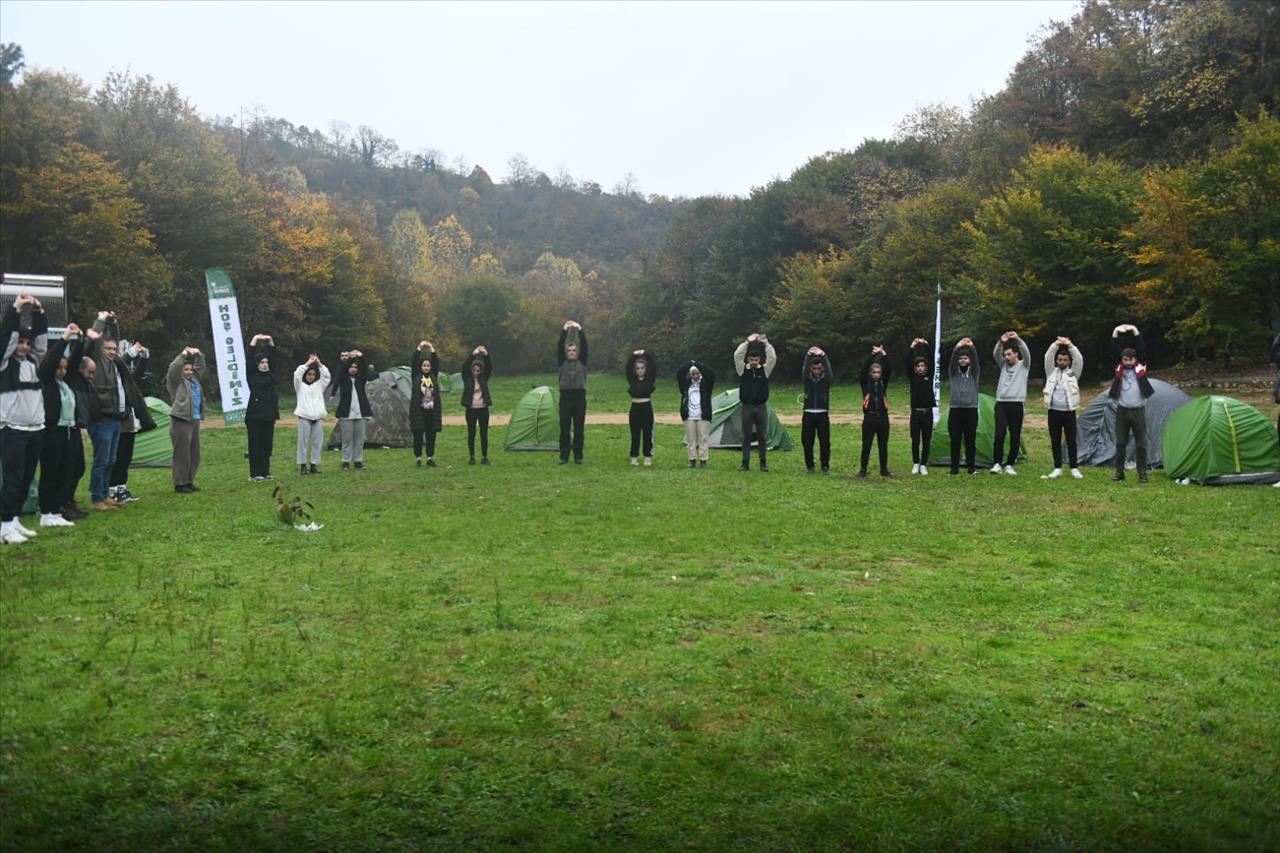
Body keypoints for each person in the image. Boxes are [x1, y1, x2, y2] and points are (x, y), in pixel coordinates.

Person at [1, 292, 47, 544]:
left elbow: (41, 343)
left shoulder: (33, 362)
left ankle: (15, 519)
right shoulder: (4, 365)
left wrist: (39, 313)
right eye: (21, 342)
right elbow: (6, 337)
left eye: (26, 343)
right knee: (13, 478)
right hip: (12, 429)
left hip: (34, 429)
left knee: (27, 478)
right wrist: (16, 309)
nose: (24, 346)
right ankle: (5, 524)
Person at [37, 324, 84, 528]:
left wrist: (81, 342)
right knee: (51, 473)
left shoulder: (67, 383)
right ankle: (46, 512)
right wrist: (65, 338)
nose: (62, 371)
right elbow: (51, 361)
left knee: (66, 471)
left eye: (64, 368)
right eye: (59, 367)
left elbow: (75, 363)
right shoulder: (46, 381)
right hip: (52, 433)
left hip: (68, 432)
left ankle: (57, 511)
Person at [84, 311, 131, 511]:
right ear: (101, 349)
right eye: (108, 348)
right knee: (101, 461)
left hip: (115, 420)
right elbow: (94, 339)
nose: (112, 351)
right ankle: (96, 498)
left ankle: (105, 495)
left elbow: (116, 339)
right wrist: (102, 320)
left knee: (111, 460)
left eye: (114, 349)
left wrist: (114, 322)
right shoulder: (98, 360)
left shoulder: (113, 363)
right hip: (101, 419)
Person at [105, 323, 153, 504]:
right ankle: (112, 490)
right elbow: (119, 360)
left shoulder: (124, 376)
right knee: (116, 457)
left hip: (130, 420)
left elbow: (137, 375)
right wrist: (131, 352)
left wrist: (144, 358)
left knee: (126, 457)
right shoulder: (109, 368)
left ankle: (121, 489)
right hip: (118, 420)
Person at [1108, 323, 1154, 483]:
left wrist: (1134, 330)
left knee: (1141, 444)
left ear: (1135, 360)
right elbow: (1113, 349)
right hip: (1122, 410)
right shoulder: (1118, 368)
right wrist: (1116, 331)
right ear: (1122, 360)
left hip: (1138, 410)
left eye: (1130, 359)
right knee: (1120, 443)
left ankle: (1142, 473)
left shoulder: (1141, 367)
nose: (1128, 362)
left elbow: (1141, 347)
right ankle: (1119, 472)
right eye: (1125, 359)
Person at [1041, 336, 1084, 480]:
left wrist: (1070, 345)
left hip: (1069, 412)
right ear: (1057, 361)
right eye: (1060, 360)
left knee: (1071, 441)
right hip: (1053, 411)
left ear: (1069, 362)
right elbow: (1048, 356)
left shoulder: (1073, 373)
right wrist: (1056, 344)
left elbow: (1079, 359)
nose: (1062, 362)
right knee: (1055, 440)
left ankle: (1074, 468)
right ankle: (1057, 468)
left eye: (1065, 360)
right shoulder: (1051, 372)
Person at [733, 333, 777, 472]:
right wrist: (747, 342)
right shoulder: (742, 370)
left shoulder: (764, 370)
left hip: (761, 407)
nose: (753, 362)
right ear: (747, 359)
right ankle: (745, 463)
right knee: (746, 437)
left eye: (756, 359)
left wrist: (766, 344)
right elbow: (736, 355)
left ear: (759, 360)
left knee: (762, 436)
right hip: (746, 407)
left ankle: (763, 463)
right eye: (751, 359)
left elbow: (773, 358)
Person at [991, 331, 1030, 475]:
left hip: (1017, 404)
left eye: (1009, 354)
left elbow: (1026, 352)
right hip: (1001, 403)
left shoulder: (1024, 366)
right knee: (999, 433)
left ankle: (1009, 464)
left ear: (1016, 354)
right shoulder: (1003, 365)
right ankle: (996, 463)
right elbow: (996, 354)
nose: (1006, 357)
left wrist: (1018, 339)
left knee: (1015, 435)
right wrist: (1001, 342)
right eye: (1005, 355)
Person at [167, 346, 205, 493]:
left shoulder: (194, 380)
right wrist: (183, 354)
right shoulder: (176, 383)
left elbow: (200, 366)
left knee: (194, 453)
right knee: (182, 454)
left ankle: (189, 481)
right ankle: (180, 483)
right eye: (186, 370)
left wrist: (198, 353)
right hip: (181, 421)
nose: (189, 372)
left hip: (194, 420)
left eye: (190, 370)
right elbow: (173, 368)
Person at [329, 349, 371, 470]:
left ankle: (358, 461)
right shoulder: (344, 379)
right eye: (351, 367)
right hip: (346, 413)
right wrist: (351, 358)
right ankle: (346, 461)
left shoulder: (361, 380)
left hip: (361, 413)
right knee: (347, 439)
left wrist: (360, 357)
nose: (353, 369)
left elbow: (364, 369)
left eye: (355, 367)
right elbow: (342, 370)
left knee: (359, 440)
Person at [245, 334, 279, 482]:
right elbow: (249, 360)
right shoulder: (252, 375)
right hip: (255, 416)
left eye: (266, 362)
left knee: (267, 445)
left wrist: (270, 341)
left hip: (269, 415)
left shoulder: (271, 375)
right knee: (255, 445)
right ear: (257, 364)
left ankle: (265, 472)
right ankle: (255, 473)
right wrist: (254, 341)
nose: (265, 364)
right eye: (262, 362)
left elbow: (275, 359)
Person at [858, 345, 893, 478]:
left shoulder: (883, 382)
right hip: (869, 418)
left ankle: (884, 469)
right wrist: (873, 355)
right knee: (866, 445)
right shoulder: (865, 384)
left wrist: (883, 354)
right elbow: (863, 369)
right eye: (874, 372)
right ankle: (863, 469)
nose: (876, 375)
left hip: (883, 418)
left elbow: (889, 368)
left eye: (879, 372)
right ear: (870, 373)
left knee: (883, 445)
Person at [947, 337, 980, 476]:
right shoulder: (953, 372)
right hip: (955, 410)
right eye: (961, 359)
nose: (962, 361)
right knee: (955, 439)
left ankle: (971, 467)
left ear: (969, 360)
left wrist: (972, 347)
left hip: (971, 409)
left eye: (965, 358)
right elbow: (952, 361)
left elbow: (977, 362)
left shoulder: (974, 373)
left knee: (970, 439)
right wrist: (957, 347)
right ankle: (954, 468)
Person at [557, 321, 588, 464]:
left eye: (574, 350)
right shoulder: (562, 363)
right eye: (569, 351)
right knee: (564, 428)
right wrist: (565, 331)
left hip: (579, 398)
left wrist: (580, 330)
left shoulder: (582, 362)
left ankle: (578, 455)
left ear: (577, 352)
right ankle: (564, 456)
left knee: (579, 429)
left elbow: (586, 347)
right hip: (565, 398)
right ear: (566, 352)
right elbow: (559, 347)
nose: (571, 353)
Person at [293, 353, 329, 475]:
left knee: (317, 442)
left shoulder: (319, 385)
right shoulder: (300, 386)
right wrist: (308, 363)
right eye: (309, 374)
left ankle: (314, 465)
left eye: (313, 375)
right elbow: (297, 374)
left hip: (318, 417)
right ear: (305, 375)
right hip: (304, 416)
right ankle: (303, 466)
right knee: (303, 442)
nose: (311, 376)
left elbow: (326, 376)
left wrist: (318, 363)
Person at [676, 360, 715, 468]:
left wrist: (697, 364)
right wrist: (689, 363)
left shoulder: (706, 384)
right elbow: (679, 373)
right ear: (690, 374)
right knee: (691, 439)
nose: (695, 376)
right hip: (689, 415)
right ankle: (692, 459)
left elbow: (710, 373)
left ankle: (703, 460)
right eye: (693, 374)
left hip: (703, 415)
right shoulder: (686, 384)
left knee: (703, 438)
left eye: (697, 373)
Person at [800, 346, 833, 474]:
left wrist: (823, 355)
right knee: (807, 441)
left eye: (819, 368)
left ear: (823, 368)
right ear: (810, 369)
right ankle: (810, 465)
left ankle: (825, 465)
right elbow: (804, 369)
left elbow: (829, 370)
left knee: (825, 441)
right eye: (814, 369)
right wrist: (808, 355)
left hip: (822, 413)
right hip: (808, 413)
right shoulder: (807, 380)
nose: (816, 371)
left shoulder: (826, 380)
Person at [410, 341, 442, 467]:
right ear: (421, 367)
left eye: (428, 366)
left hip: (431, 410)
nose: (426, 368)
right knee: (418, 434)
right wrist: (419, 348)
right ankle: (418, 458)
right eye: (424, 366)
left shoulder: (433, 377)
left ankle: (429, 457)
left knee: (431, 434)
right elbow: (413, 363)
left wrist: (432, 349)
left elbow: (436, 364)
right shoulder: (416, 376)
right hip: (419, 410)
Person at [906, 338, 935, 475]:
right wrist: (912, 347)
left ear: (926, 367)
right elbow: (907, 362)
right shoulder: (913, 377)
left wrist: (927, 345)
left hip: (928, 413)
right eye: (918, 366)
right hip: (915, 413)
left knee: (926, 439)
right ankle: (916, 463)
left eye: (923, 366)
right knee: (915, 439)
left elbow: (932, 359)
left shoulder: (929, 376)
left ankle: (923, 464)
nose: (920, 368)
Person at [460, 346, 492, 465]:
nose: (476, 373)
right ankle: (472, 457)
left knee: (484, 433)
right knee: (471, 433)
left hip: (483, 409)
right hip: (471, 410)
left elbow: (489, 367)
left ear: (481, 371)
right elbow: (464, 366)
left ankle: (484, 457)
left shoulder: (484, 378)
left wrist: (485, 355)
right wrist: (473, 354)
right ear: (471, 370)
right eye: (474, 370)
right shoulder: (467, 378)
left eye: (478, 371)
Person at [625, 348, 657, 466]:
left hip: (647, 407)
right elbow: (628, 368)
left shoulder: (650, 379)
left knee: (648, 433)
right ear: (635, 370)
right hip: (635, 408)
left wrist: (645, 354)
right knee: (635, 433)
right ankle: (634, 457)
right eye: (638, 368)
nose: (640, 370)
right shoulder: (632, 379)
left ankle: (647, 456)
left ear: (645, 369)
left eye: (642, 368)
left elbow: (653, 366)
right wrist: (634, 355)